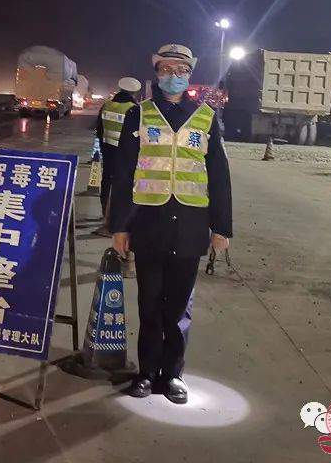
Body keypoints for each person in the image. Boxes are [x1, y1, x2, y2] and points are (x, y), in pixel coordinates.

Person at [109, 43, 232, 404]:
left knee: (179, 306)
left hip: (191, 225)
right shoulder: (139, 115)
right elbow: (123, 173)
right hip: (149, 223)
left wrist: (221, 228)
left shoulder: (206, 117)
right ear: (156, 72)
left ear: (190, 74)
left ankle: (172, 374)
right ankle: (147, 372)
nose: (173, 75)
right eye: (166, 69)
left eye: (181, 70)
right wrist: (120, 226)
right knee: (149, 302)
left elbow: (219, 175)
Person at [92, 77, 142, 237]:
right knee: (122, 187)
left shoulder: (107, 105)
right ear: (134, 93)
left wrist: (103, 147)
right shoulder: (134, 109)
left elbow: (99, 130)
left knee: (106, 183)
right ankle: (113, 222)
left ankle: (105, 217)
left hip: (108, 151)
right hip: (126, 155)